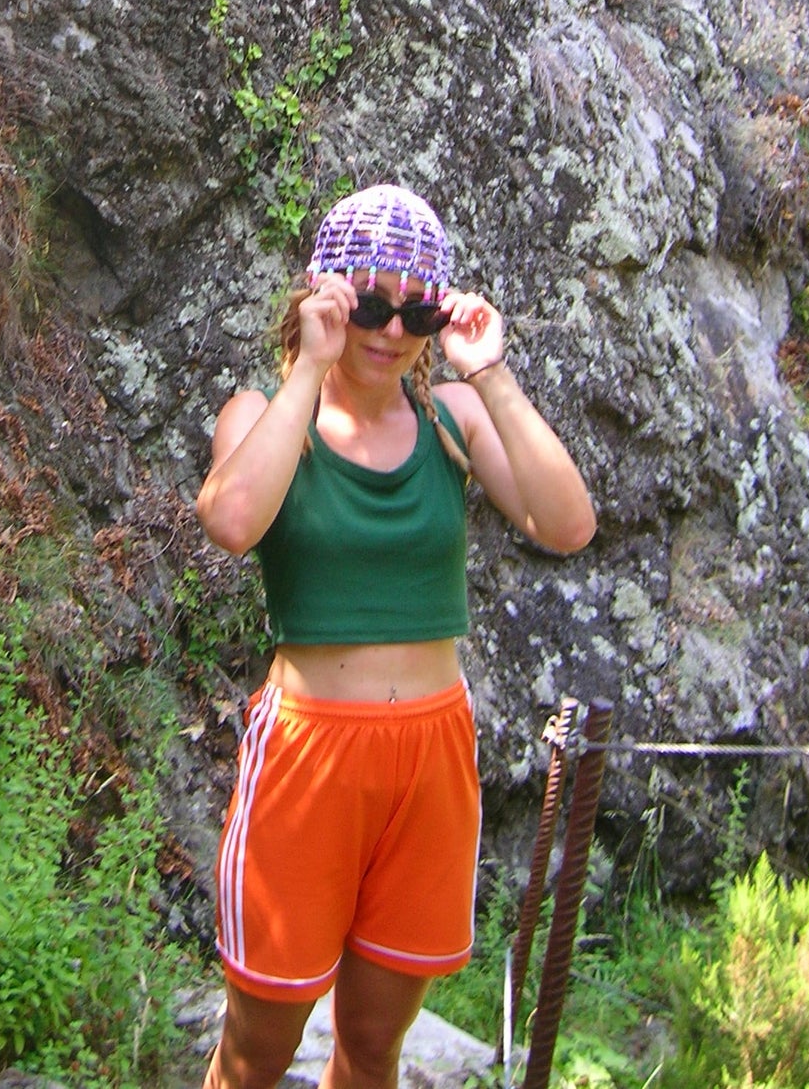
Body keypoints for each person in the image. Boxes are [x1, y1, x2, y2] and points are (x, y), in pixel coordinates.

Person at [195, 183, 596, 1089]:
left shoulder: (450, 416)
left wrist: (487, 369)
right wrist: (306, 364)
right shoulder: (262, 411)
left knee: (374, 1045)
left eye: (412, 306)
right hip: (308, 754)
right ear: (326, 296)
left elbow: (566, 522)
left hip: (430, 756)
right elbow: (232, 521)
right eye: (368, 301)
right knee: (256, 1049)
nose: (389, 328)